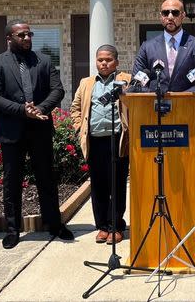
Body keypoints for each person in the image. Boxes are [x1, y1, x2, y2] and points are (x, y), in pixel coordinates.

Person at [0, 19, 74, 249]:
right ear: (9, 39)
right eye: (21, 35)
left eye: (29, 34)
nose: (26, 38)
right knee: (12, 182)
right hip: (11, 132)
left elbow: (58, 90)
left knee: (47, 179)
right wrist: (24, 111)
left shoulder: (43, 61)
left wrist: (41, 109)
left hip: (40, 129)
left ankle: (54, 225)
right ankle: (13, 230)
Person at [71, 45, 131, 245]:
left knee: (118, 183)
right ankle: (103, 227)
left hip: (118, 140)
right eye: (100, 60)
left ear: (116, 62)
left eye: (108, 60)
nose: (104, 63)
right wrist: (79, 127)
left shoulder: (126, 80)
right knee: (98, 186)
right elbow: (75, 108)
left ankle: (116, 226)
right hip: (95, 140)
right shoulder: (86, 83)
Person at [132, 0, 195, 92]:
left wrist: (179, 98)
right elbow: (136, 82)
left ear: (183, 16)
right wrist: (152, 95)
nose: (170, 17)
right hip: (155, 104)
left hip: (186, 104)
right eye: (165, 13)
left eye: (175, 13)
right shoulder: (147, 47)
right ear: (161, 16)